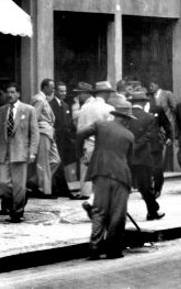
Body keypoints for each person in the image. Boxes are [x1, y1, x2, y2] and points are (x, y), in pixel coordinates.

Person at [77, 107, 136, 260]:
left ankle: (94, 247)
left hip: (100, 172)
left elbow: (80, 134)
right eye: (129, 120)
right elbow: (130, 161)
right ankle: (113, 250)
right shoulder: (129, 135)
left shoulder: (100, 125)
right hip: (121, 176)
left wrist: (80, 154)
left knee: (99, 210)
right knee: (117, 214)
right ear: (124, 119)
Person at [0, 82, 39, 223]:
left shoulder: (28, 110)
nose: (10, 95)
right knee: (3, 182)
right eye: (8, 92)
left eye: (13, 92)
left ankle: (18, 212)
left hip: (20, 152)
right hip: (4, 152)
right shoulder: (1, 110)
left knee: (18, 184)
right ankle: (23, 195)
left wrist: (32, 152)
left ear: (18, 94)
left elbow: (34, 133)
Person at [124, 90, 165, 221]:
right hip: (143, 156)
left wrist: (130, 147)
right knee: (145, 186)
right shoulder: (149, 117)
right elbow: (149, 136)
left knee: (124, 186)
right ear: (143, 103)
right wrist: (137, 146)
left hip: (127, 156)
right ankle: (152, 211)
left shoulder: (126, 117)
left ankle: (118, 212)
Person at [75, 81, 114, 210]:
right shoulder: (108, 109)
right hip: (102, 147)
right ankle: (94, 202)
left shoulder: (84, 108)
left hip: (86, 145)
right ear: (106, 93)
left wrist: (80, 151)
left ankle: (88, 197)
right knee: (101, 177)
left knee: (87, 175)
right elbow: (110, 132)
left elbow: (79, 131)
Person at [30, 78, 61, 198]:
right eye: (51, 87)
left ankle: (34, 182)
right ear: (45, 87)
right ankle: (43, 190)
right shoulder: (39, 99)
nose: (53, 89)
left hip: (48, 132)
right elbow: (34, 118)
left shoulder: (44, 100)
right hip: (42, 132)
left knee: (55, 160)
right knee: (43, 162)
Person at [50, 81, 78, 198]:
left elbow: (70, 123)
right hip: (56, 138)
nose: (63, 93)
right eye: (61, 91)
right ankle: (54, 189)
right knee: (56, 163)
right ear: (55, 91)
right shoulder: (50, 105)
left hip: (66, 140)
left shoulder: (66, 105)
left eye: (65, 91)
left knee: (66, 164)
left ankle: (65, 189)